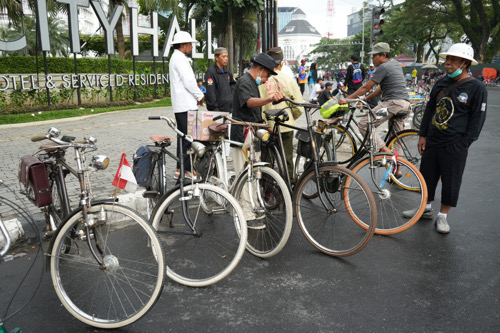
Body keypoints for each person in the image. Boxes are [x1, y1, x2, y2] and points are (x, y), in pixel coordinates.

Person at [404, 43, 487, 234]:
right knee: (427, 176)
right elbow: (430, 110)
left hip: (455, 144)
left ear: (465, 63)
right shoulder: (441, 83)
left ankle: (442, 217)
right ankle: (424, 209)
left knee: (451, 180)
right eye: (447, 60)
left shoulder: (476, 87)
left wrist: (465, 142)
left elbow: (477, 119)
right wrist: (422, 135)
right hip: (433, 140)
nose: (447, 64)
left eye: (453, 60)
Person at [230, 53, 285, 228]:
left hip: (252, 134)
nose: (267, 79)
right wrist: (270, 98)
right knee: (245, 175)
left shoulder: (252, 83)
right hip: (243, 136)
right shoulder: (245, 82)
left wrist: (265, 127)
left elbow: (254, 113)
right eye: (267, 75)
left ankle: (252, 207)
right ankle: (245, 215)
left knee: (253, 174)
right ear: (260, 69)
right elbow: (249, 103)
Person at [339, 42, 411, 157]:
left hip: (392, 104)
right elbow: (381, 88)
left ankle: (385, 151)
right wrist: (368, 98)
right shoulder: (395, 63)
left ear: (383, 55)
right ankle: (398, 167)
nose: (372, 59)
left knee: (364, 124)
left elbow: (366, 87)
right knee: (395, 137)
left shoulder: (383, 67)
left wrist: (347, 99)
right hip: (405, 104)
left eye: (374, 56)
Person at [260, 46, 305, 184]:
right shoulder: (288, 79)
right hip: (285, 125)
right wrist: (291, 118)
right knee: (287, 159)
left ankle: (267, 188)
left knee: (266, 160)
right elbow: (298, 106)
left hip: (266, 126)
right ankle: (289, 185)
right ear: (282, 62)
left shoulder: (259, 80)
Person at [169, 31, 205, 179]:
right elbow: (189, 81)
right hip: (186, 106)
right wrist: (200, 95)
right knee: (189, 139)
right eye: (190, 44)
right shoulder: (180, 59)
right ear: (183, 45)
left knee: (183, 138)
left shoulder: (177, 58)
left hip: (182, 105)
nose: (191, 47)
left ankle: (181, 168)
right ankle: (186, 169)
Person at [204, 47, 235, 112]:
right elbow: (210, 92)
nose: (226, 59)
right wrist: (215, 108)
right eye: (223, 57)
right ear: (216, 58)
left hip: (229, 109)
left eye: (227, 56)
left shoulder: (228, 73)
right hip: (217, 110)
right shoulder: (211, 72)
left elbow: (233, 85)